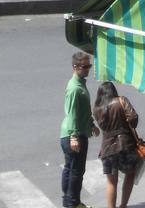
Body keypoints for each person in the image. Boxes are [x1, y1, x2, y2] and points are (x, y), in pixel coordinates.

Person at [93, 81, 143, 208]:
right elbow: (133, 119)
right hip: (125, 145)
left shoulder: (97, 108)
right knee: (130, 173)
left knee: (111, 182)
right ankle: (123, 205)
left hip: (107, 148)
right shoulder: (121, 101)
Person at [60, 51, 99, 208]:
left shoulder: (79, 84)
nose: (87, 69)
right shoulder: (75, 88)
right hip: (73, 134)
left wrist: (91, 125)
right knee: (77, 171)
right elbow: (72, 114)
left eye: (89, 66)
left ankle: (69, 202)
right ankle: (73, 203)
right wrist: (74, 137)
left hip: (72, 133)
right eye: (84, 66)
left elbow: (83, 110)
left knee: (70, 169)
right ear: (75, 67)